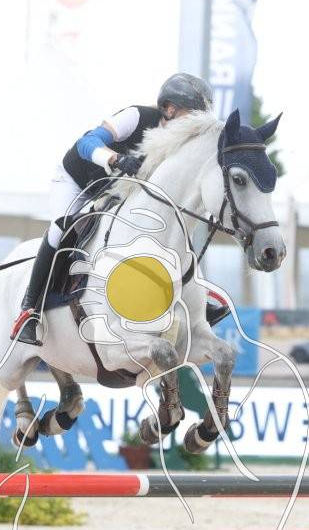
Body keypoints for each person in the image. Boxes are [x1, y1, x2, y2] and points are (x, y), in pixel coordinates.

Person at [12, 73, 215, 347]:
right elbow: (87, 142)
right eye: (192, 116)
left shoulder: (181, 144)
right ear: (169, 109)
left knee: (172, 227)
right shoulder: (136, 116)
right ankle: (30, 309)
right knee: (62, 230)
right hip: (76, 180)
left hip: (116, 189)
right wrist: (115, 158)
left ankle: (196, 303)